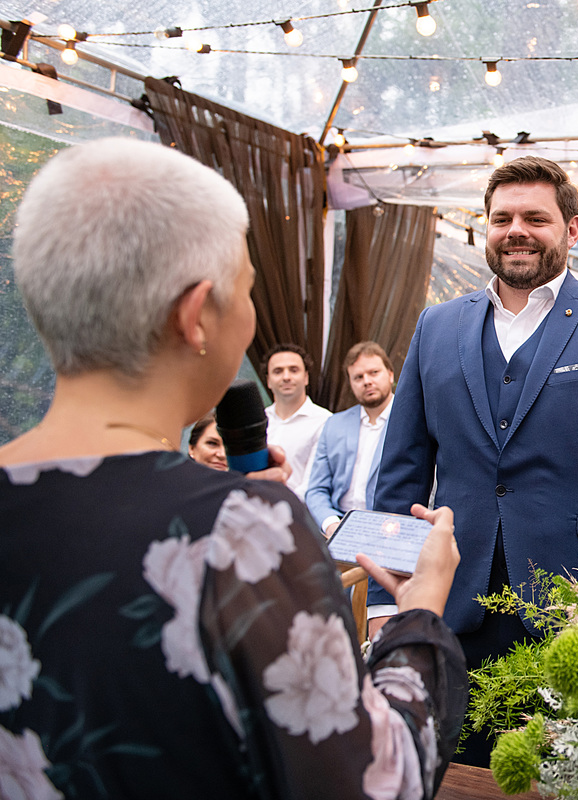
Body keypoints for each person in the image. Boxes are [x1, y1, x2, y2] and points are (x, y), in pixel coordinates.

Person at [0, 138, 465, 800]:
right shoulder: (239, 529)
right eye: (246, 290)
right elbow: (374, 780)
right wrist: (421, 611)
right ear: (196, 316)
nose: (249, 315)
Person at [372, 156, 578, 761]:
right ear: (486, 226)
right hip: (452, 604)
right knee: (445, 770)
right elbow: (402, 468)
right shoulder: (436, 325)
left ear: (572, 228)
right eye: (501, 217)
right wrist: (387, 601)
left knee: (568, 775)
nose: (517, 230)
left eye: (536, 217)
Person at [306, 342, 396, 540]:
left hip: (391, 530)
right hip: (340, 526)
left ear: (390, 375)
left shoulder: (410, 421)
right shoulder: (334, 424)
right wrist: (331, 524)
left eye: (374, 372)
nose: (367, 381)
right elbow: (316, 489)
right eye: (358, 377)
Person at [263, 343, 332, 497]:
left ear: (306, 377)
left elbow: (313, 485)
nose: (286, 377)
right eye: (278, 371)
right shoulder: (259, 421)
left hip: (299, 514)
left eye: (293, 370)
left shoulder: (325, 421)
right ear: (268, 380)